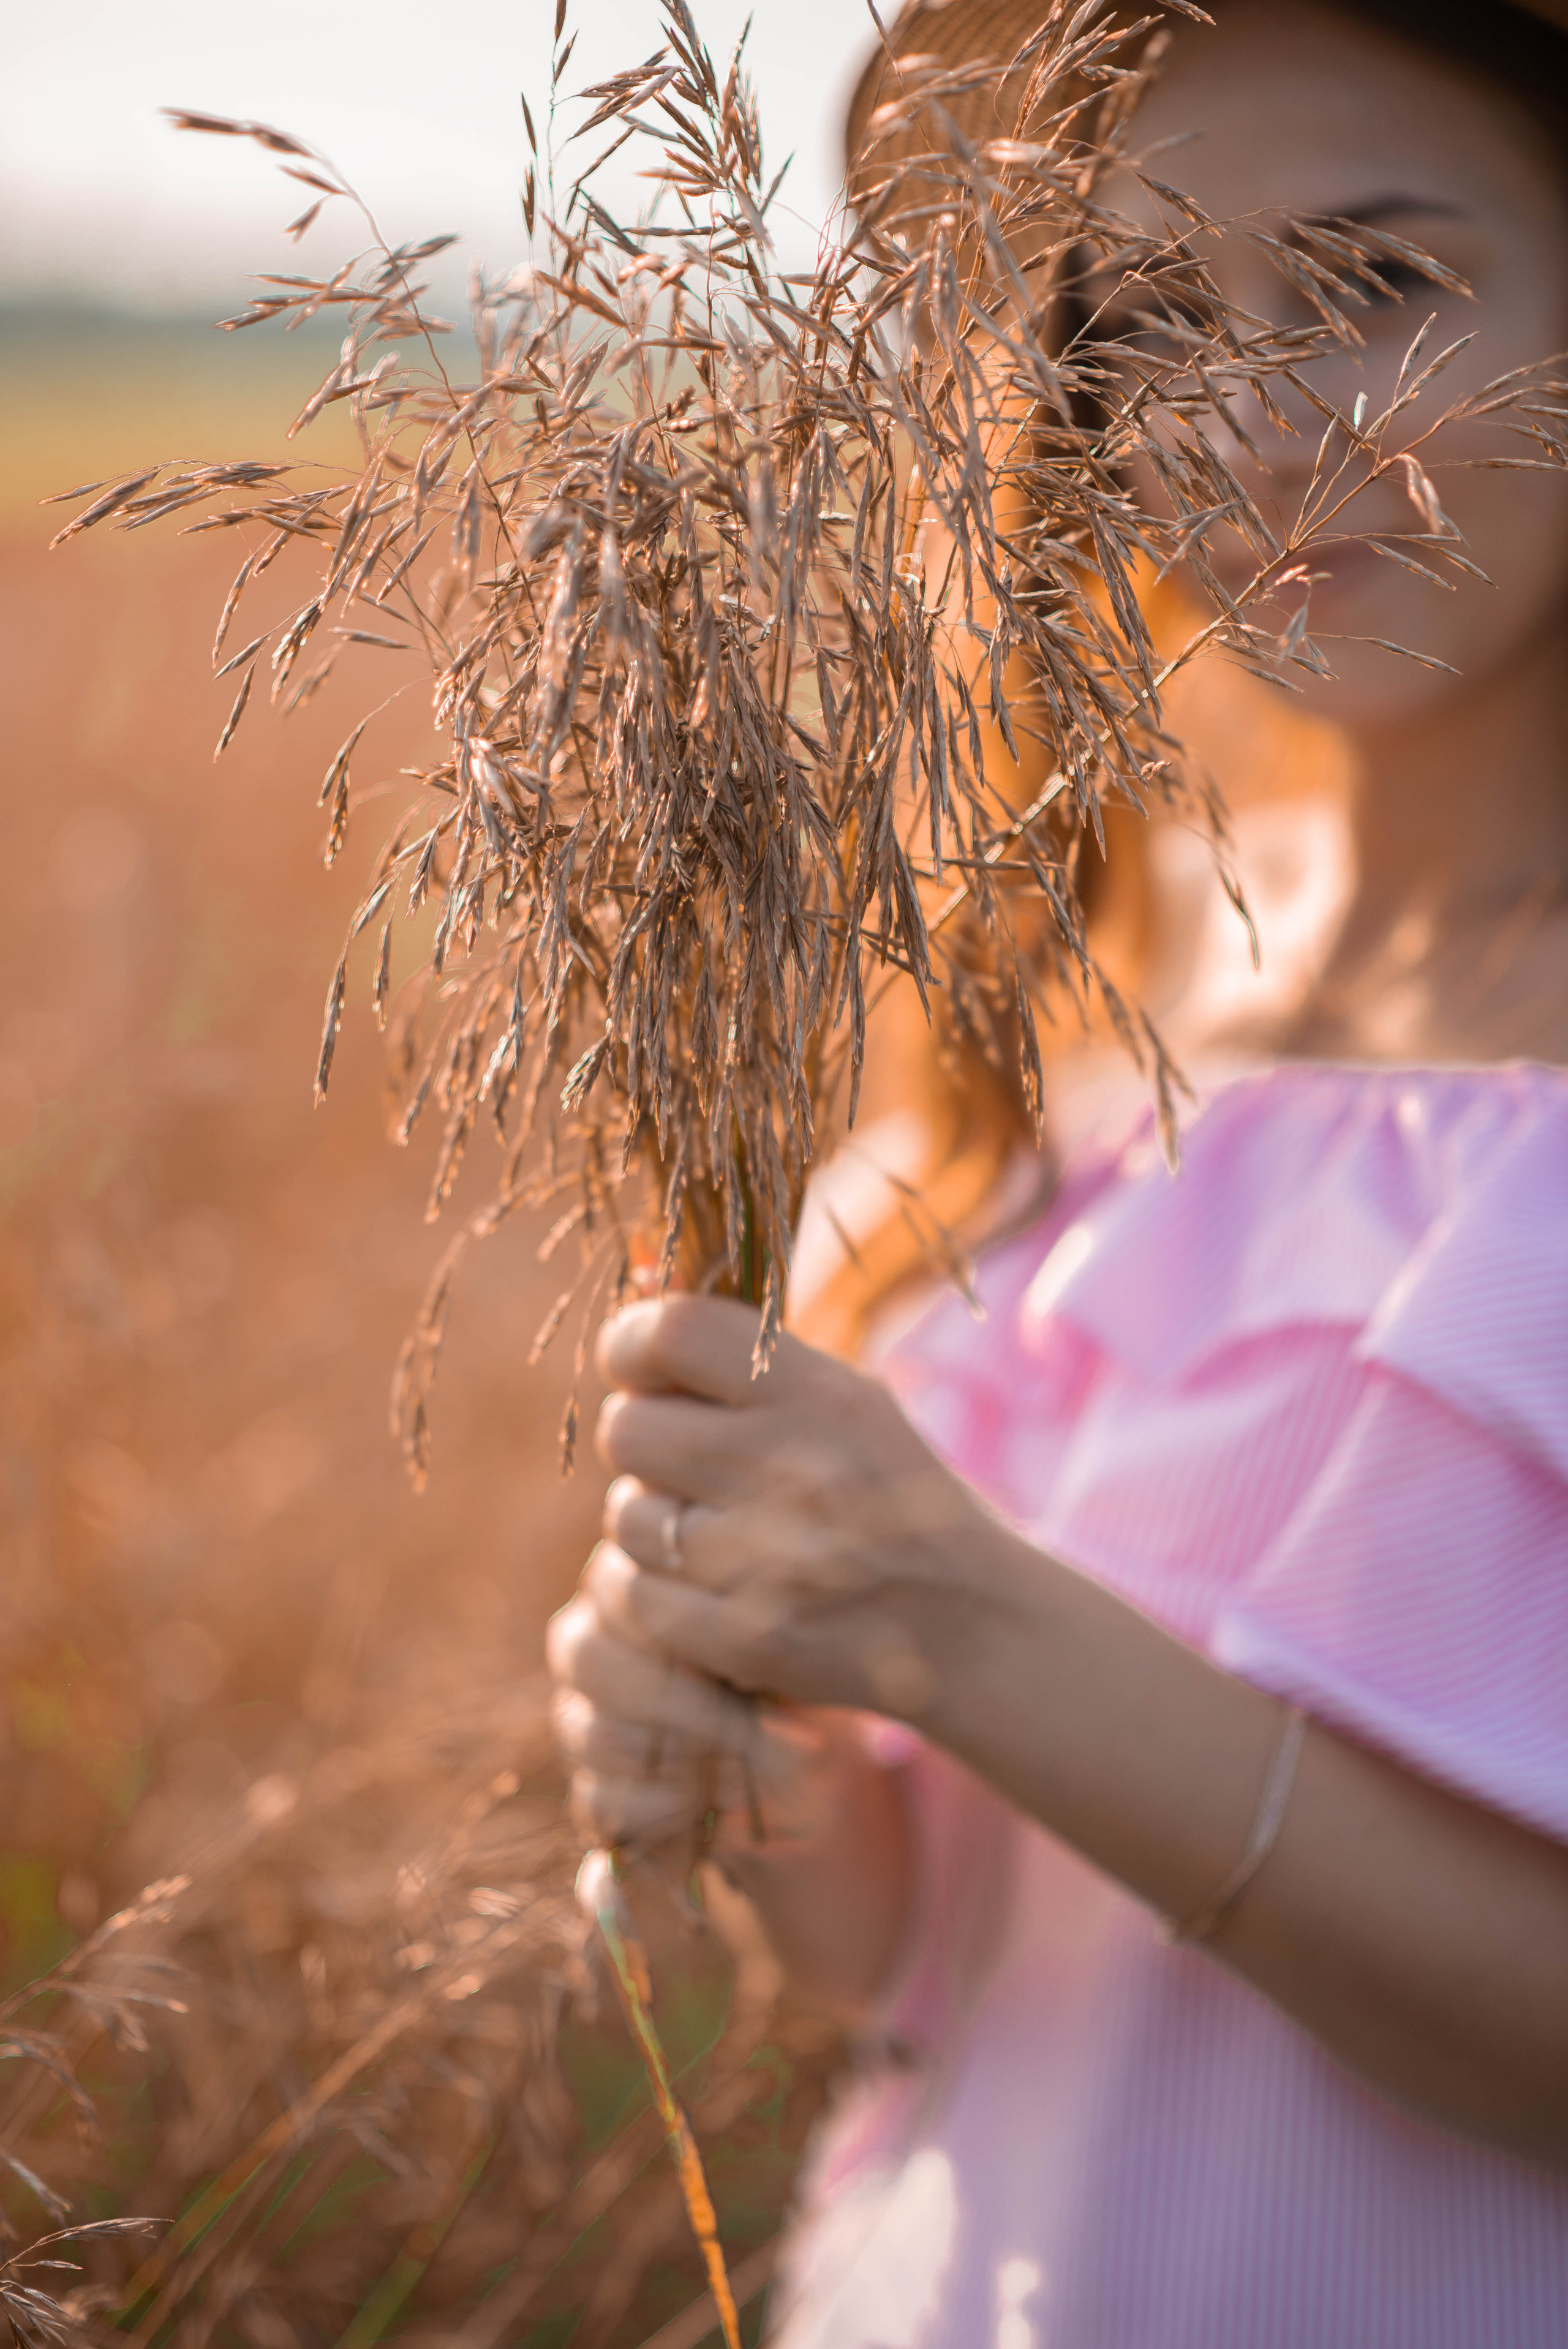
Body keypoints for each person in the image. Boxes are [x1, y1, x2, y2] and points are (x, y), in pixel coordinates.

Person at [548, 2, 1568, 2340]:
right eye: (1141, 326)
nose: (1241, 424)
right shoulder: (1080, 1021)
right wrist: (765, 1730)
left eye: (1373, 286)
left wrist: (958, 1620)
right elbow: (928, 1966)